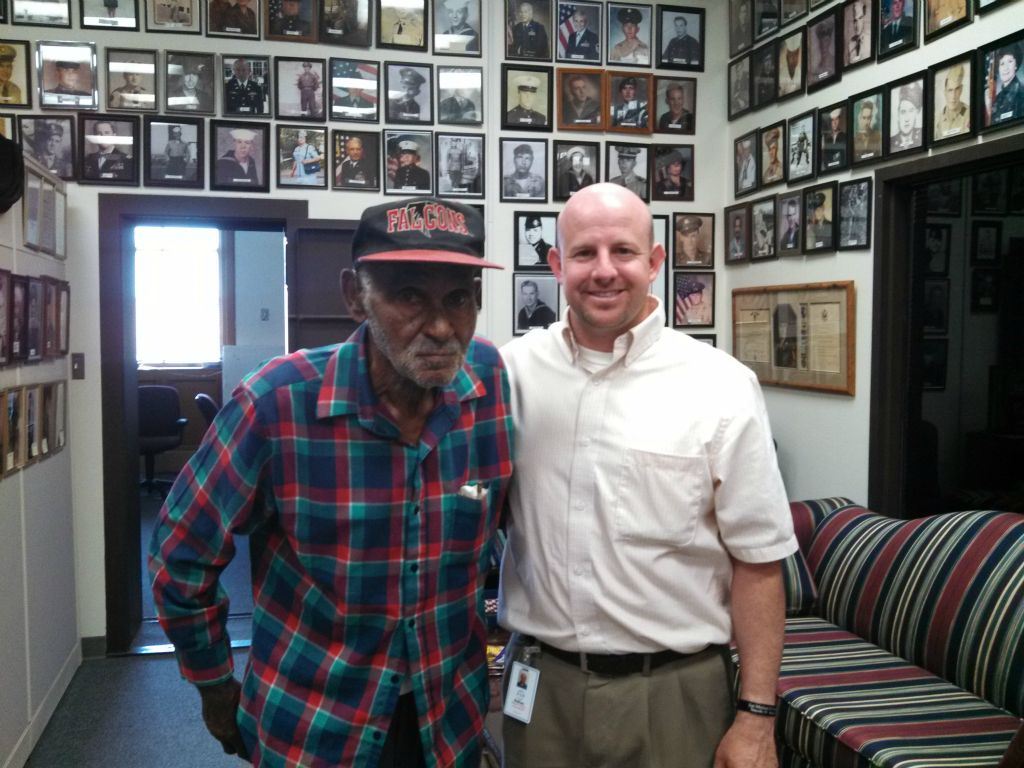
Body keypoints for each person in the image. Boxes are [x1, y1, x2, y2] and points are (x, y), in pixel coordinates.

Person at [150, 197, 512, 768]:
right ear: (354, 296)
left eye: (459, 298)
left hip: (448, 726)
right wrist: (217, 689)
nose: (441, 326)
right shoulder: (277, 404)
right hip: (315, 729)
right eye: (409, 296)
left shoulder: (491, 384)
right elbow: (181, 560)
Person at [498, 183, 797, 767]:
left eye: (624, 252)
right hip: (540, 688)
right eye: (584, 253)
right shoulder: (510, 375)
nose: (604, 271)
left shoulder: (721, 386)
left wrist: (757, 718)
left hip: (674, 696)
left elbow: (758, 563)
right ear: (557, 264)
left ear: (655, 262)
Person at [987, 44, 1024, 124]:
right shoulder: (997, 98)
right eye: (1002, 64)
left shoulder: (1022, 93)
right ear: (998, 68)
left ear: (1016, 65)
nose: (1005, 68)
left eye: (1010, 61)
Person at [936, 64, 969, 137]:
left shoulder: (969, 113)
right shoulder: (939, 118)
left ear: (961, 90)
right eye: (950, 90)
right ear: (945, 92)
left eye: (956, 89)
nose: (953, 96)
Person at [890, 82, 922, 151]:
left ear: (916, 113)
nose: (907, 119)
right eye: (903, 112)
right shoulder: (890, 143)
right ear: (898, 115)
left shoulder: (922, 136)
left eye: (911, 111)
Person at [844, 0, 870, 67]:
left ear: (864, 18)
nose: (857, 24)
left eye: (860, 18)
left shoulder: (869, 41)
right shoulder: (851, 43)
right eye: (855, 20)